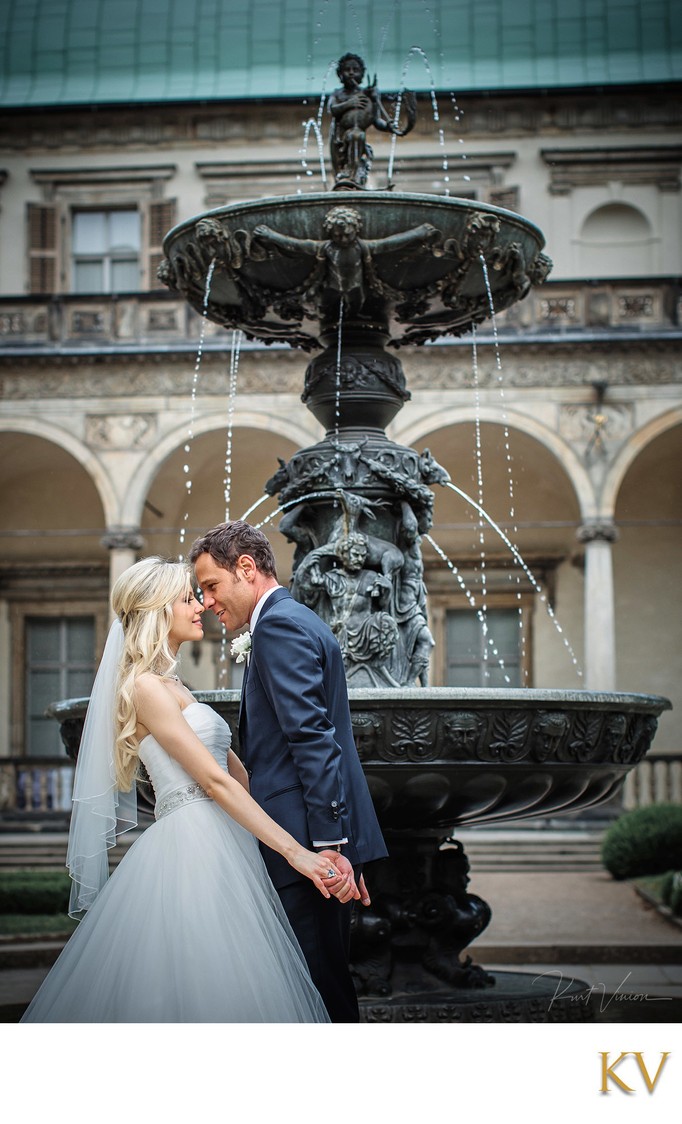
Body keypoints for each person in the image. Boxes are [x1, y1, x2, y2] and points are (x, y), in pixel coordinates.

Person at [21, 556, 336, 1023]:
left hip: (227, 839)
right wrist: (296, 854)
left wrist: (307, 833)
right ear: (157, 610)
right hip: (191, 846)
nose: (201, 607)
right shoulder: (144, 687)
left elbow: (241, 778)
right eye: (188, 599)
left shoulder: (177, 686)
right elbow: (212, 780)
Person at [190, 520, 388, 1022]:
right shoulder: (297, 619)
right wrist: (340, 841)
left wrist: (328, 847)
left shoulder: (277, 625)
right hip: (311, 837)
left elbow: (312, 739)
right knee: (318, 983)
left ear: (247, 568)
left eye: (212, 586)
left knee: (316, 990)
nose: (209, 602)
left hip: (304, 845)